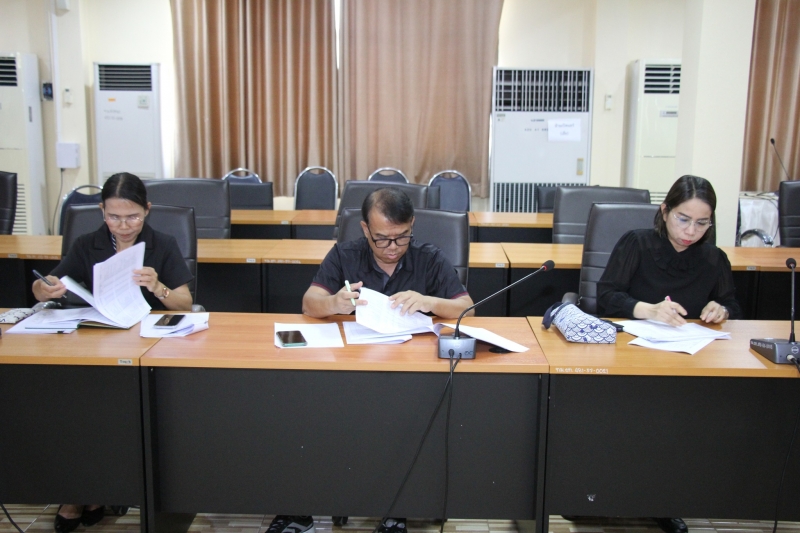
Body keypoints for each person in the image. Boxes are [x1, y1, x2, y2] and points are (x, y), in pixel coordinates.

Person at [266, 188, 473, 533]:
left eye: (402, 237)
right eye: (382, 239)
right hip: (351, 372)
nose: (393, 247)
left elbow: (467, 307)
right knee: (302, 405)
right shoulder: (344, 255)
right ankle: (300, 506)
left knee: (405, 422)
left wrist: (429, 301)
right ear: (365, 229)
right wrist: (333, 303)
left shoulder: (429, 258)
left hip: (410, 377)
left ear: (412, 225)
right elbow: (309, 303)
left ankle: (395, 509)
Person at [33, 172, 194, 533]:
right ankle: (82, 491)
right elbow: (47, 284)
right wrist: (44, 289)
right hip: (98, 343)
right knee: (80, 409)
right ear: (102, 212)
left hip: (148, 345)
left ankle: (104, 489)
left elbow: (186, 303)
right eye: (113, 217)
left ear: (147, 210)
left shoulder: (162, 244)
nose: (123, 225)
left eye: (132, 216)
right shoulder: (87, 244)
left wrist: (158, 286)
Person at [596, 174, 741, 533]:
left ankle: (664, 500)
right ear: (665, 211)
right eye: (683, 219)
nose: (691, 231)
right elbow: (606, 296)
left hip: (688, 358)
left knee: (681, 420)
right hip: (632, 354)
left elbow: (732, 304)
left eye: (702, 223)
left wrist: (721, 309)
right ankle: (599, 494)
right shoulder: (637, 244)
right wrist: (648, 309)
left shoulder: (714, 258)